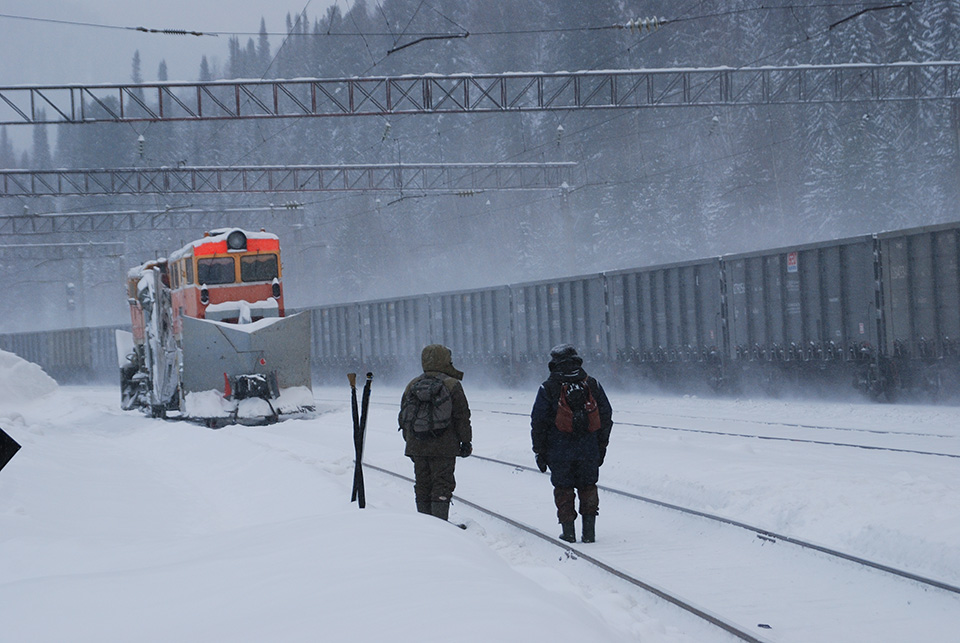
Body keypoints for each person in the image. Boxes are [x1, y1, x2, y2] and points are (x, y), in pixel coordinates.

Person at [531, 344, 613, 543]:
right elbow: (606, 415)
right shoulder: (592, 384)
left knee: (563, 489)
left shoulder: (548, 387)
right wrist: (601, 446)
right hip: (589, 448)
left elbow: (538, 422)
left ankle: (568, 532)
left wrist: (540, 452)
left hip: (558, 449)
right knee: (588, 486)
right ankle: (589, 533)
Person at [399, 344, 472, 521]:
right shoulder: (452, 384)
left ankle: (425, 524)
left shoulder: (413, 384)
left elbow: (405, 416)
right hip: (444, 446)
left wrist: (410, 442)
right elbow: (462, 416)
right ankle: (440, 524)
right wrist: (465, 441)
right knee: (442, 484)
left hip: (417, 444)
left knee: (422, 484)